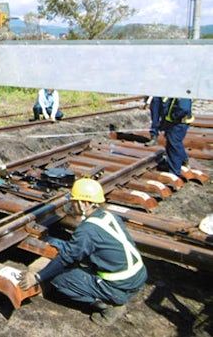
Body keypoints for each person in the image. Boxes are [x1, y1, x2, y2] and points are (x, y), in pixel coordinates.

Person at [19, 178, 147, 326]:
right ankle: (112, 294)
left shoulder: (87, 231)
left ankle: (108, 306)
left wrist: (38, 277)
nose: (72, 205)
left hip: (119, 287)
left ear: (84, 203)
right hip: (137, 277)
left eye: (74, 201)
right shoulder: (109, 216)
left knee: (58, 277)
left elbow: (65, 259)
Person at [162, 97, 194, 178]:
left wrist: (174, 116)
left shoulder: (182, 93)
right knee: (174, 143)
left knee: (174, 146)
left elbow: (184, 108)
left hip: (178, 123)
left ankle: (174, 172)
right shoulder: (177, 92)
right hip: (174, 122)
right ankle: (183, 159)